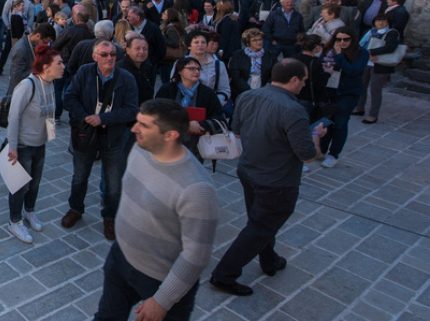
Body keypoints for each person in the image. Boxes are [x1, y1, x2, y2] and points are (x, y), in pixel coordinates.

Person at [92, 99, 219, 321]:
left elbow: (196, 256)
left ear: (170, 135)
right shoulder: (141, 148)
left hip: (160, 279)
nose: (134, 128)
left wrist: (163, 299)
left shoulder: (197, 189)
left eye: (144, 125)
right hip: (120, 261)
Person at [210, 59, 326, 296]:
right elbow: (307, 156)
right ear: (294, 80)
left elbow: (238, 132)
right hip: (277, 182)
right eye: (303, 81)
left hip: (248, 172)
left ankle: (269, 259)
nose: (304, 85)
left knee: (260, 222)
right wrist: (316, 135)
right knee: (259, 227)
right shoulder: (294, 111)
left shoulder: (247, 97)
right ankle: (224, 275)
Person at [61, 39, 139, 241]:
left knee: (113, 183)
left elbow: (132, 110)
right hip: (86, 135)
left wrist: (103, 119)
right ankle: (75, 209)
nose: (109, 58)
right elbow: (69, 97)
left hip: (113, 137)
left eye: (113, 54)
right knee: (79, 177)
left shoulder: (126, 78)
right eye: (104, 54)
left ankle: (110, 218)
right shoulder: (85, 72)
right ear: (95, 56)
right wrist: (85, 117)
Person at [4, 45, 64, 244]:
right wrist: (12, 146)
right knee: (19, 186)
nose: (63, 66)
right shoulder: (27, 85)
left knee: (35, 183)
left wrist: (49, 135)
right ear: (46, 66)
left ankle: (29, 212)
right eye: (59, 63)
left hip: (40, 145)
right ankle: (15, 221)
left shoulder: (51, 84)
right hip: (22, 146)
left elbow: (49, 113)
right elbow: (13, 117)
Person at [155, 57, 226, 161]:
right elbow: (157, 114)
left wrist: (200, 125)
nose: (196, 72)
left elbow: (220, 120)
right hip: (169, 141)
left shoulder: (207, 93)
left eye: (198, 69)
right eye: (191, 69)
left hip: (197, 145)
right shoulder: (167, 90)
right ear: (180, 71)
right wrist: (185, 125)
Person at [320, 28, 369, 167]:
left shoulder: (361, 53)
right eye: (339, 39)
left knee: (340, 123)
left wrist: (339, 55)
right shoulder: (328, 51)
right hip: (330, 91)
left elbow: (353, 71)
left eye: (346, 39)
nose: (342, 42)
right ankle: (322, 150)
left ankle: (333, 154)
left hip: (348, 92)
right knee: (327, 121)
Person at [360, 12, 400, 126]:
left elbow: (390, 47)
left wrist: (371, 52)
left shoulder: (391, 33)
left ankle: (373, 115)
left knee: (375, 90)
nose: (380, 23)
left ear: (388, 23)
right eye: (378, 21)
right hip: (367, 62)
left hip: (381, 64)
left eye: (383, 21)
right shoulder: (370, 32)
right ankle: (359, 108)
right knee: (362, 86)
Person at [227, 28, 279, 104]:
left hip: (264, 92)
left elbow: (274, 74)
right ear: (248, 43)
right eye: (254, 40)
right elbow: (235, 74)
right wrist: (248, 90)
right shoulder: (238, 55)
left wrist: (264, 89)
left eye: (260, 39)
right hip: (242, 91)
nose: (258, 42)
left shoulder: (271, 55)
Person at [185, 31, 230, 105]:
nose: (200, 45)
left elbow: (224, 89)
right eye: (196, 42)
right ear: (189, 46)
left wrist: (215, 103)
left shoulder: (218, 65)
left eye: (203, 42)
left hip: (211, 106)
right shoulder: (180, 64)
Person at [118, 34, 156, 105]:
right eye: (137, 48)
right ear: (128, 50)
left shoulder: (148, 67)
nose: (141, 52)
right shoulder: (120, 69)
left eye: (145, 49)